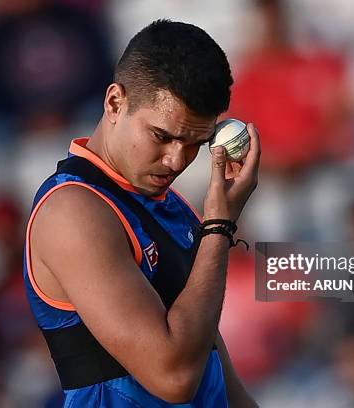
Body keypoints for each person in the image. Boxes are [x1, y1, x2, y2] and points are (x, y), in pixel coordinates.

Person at [23, 19, 260, 407]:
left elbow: (216, 372)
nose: (176, 160)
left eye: (194, 143)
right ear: (115, 102)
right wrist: (219, 226)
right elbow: (174, 377)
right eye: (162, 136)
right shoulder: (73, 211)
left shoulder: (172, 205)